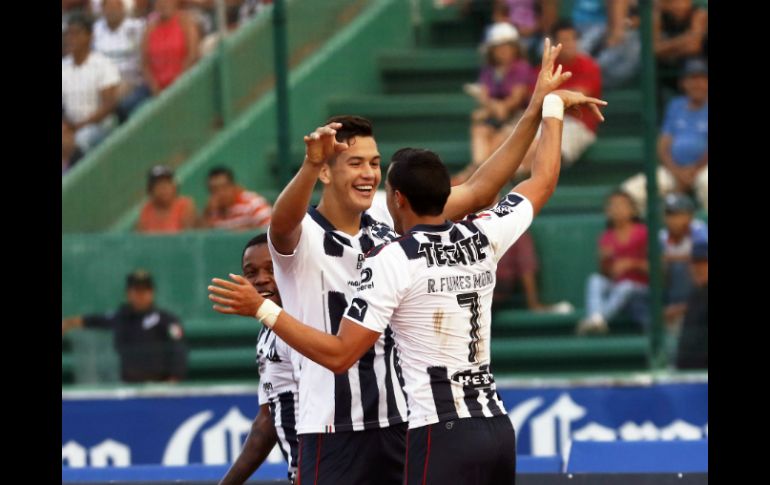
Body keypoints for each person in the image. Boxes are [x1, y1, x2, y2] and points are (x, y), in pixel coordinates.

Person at [209, 39, 603, 485]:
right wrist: (308, 165)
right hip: (333, 430)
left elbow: (479, 190)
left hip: (402, 422)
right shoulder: (301, 233)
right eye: (355, 163)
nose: (368, 173)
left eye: (374, 163)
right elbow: (281, 223)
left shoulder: (390, 221)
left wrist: (534, 109)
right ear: (326, 172)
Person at [219, 234, 299, 485]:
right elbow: (267, 420)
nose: (261, 279)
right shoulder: (267, 333)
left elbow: (331, 411)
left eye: (271, 269)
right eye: (251, 273)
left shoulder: (304, 325)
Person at [61, 269, 188, 383]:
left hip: (159, 386)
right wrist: (68, 323)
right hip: (127, 385)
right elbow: (94, 320)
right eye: (136, 291)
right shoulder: (121, 317)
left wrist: (173, 380)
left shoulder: (167, 320)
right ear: (128, 293)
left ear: (152, 292)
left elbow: (179, 349)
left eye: (145, 290)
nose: (140, 295)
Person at [621, 58, 708, 213]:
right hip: (674, 170)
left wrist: (694, 170)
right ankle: (647, 228)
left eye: (702, 79)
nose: (697, 84)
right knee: (632, 191)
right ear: (683, 83)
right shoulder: (676, 105)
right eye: (692, 79)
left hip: (703, 169)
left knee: (706, 183)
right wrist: (677, 172)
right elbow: (663, 144)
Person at [516, 20, 602, 176]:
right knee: (518, 142)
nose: (569, 44)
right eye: (564, 40)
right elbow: (534, 99)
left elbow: (576, 96)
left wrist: (550, 94)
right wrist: (555, 95)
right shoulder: (546, 68)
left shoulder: (589, 66)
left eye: (572, 39)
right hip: (545, 120)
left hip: (578, 124)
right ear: (555, 44)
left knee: (539, 149)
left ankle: (508, 179)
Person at [576, 190, 649, 335]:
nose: (617, 209)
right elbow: (607, 273)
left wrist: (631, 264)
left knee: (626, 286)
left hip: (642, 289)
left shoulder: (643, 232)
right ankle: (597, 319)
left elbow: (658, 268)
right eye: (613, 206)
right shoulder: (606, 237)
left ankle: (596, 320)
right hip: (617, 289)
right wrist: (604, 261)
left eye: (621, 205)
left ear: (633, 210)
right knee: (595, 280)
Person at [466, 23, 535, 171]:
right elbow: (484, 98)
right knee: (479, 129)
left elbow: (515, 100)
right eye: (499, 47)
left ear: (515, 48)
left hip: (519, 119)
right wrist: (494, 108)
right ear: (491, 50)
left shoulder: (522, 68)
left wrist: (495, 108)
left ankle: (471, 174)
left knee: (497, 142)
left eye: (507, 46)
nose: (503, 51)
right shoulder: (487, 71)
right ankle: (476, 171)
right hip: (495, 118)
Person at [62, 14, 121, 153]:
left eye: (76, 34)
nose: (71, 39)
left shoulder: (103, 64)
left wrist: (79, 126)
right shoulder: (64, 66)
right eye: (68, 34)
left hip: (99, 125)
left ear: (90, 36)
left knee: (80, 140)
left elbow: (108, 105)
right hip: (71, 125)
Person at [93, 0, 150, 122]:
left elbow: (146, 57)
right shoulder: (96, 29)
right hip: (102, 83)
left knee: (123, 103)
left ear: (122, 8)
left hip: (131, 81)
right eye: (108, 7)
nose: (111, 11)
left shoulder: (137, 27)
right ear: (102, 10)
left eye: (115, 7)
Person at [659, 193, 707, 328]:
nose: (673, 220)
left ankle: (682, 308)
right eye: (670, 214)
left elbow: (701, 260)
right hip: (672, 290)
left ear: (689, 215)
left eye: (678, 214)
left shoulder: (699, 229)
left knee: (683, 265)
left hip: (698, 293)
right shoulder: (662, 236)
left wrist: (672, 258)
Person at [141, 0, 200, 95]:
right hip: (157, 90)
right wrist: (154, 87)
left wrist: (177, 83)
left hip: (183, 85)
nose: (163, 3)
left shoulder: (186, 23)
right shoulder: (149, 29)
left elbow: (192, 55)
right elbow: (145, 64)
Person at [202, 167, 272, 230]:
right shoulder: (212, 211)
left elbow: (270, 229)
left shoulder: (253, 203)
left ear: (234, 186)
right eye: (214, 190)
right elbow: (204, 236)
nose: (220, 193)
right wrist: (207, 213)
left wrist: (249, 230)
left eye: (224, 187)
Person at [675, 239, 707, 369]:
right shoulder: (695, 293)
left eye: (704, 263)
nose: (698, 268)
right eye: (695, 263)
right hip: (690, 370)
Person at [136, 165, 197, 233]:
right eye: (158, 184)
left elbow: (187, 236)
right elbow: (141, 235)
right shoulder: (147, 209)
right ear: (150, 189)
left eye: (167, 183)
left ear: (174, 186)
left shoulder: (185, 205)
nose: (163, 188)